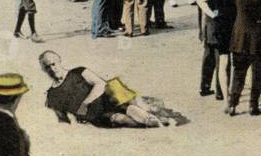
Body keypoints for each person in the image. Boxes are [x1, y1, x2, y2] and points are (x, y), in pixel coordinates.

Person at [38, 51, 166, 127]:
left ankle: (146, 114)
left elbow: (100, 84)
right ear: (43, 70)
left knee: (114, 86)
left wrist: (85, 103)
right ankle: (148, 120)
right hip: (94, 115)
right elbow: (62, 120)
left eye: (53, 64)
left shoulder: (78, 71)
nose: (52, 69)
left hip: (107, 100)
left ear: (59, 61)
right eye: (47, 67)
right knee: (120, 119)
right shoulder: (51, 95)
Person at [197, 0, 236, 100]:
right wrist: (214, 14)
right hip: (217, 26)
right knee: (222, 60)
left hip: (209, 28)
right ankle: (221, 91)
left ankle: (205, 87)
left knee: (209, 59)